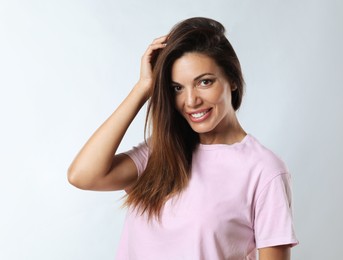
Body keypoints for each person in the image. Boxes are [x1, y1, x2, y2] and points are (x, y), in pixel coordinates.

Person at [68, 17, 298, 260]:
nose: (191, 101)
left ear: (231, 80)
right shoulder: (160, 151)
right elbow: (83, 175)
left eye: (204, 82)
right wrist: (143, 87)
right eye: (177, 88)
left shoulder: (264, 170)